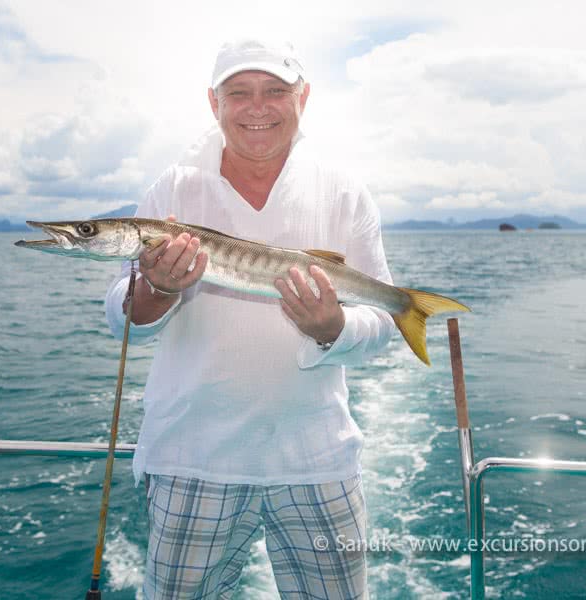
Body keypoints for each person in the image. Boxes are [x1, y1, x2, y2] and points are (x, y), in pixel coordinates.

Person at [105, 38, 395, 599]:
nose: (256, 107)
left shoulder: (343, 192)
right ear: (214, 103)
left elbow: (382, 326)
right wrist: (158, 291)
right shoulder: (172, 188)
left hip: (318, 458)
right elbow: (120, 317)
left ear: (303, 97)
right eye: (238, 93)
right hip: (191, 458)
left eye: (275, 91)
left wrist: (331, 328)